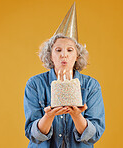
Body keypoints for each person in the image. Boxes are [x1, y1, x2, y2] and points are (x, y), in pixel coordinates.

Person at [24, 2, 105, 148]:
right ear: (50, 56)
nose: (64, 55)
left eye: (69, 50)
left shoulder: (91, 86)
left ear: (77, 56)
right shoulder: (35, 84)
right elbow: (33, 134)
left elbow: (93, 136)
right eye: (58, 50)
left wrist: (76, 115)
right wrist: (48, 116)